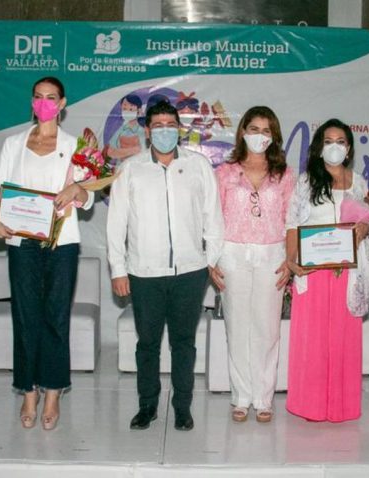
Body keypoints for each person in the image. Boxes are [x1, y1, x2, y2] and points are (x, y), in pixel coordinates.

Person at [0, 76, 93, 431]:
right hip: (21, 241)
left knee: (56, 317)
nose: (44, 102)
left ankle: (54, 392)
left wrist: (77, 190)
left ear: (62, 104)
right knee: (25, 316)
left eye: (51, 97)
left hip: (62, 242)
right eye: (38, 96)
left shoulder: (75, 146)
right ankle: (28, 390)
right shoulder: (13, 144)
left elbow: (89, 196)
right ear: (32, 101)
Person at [107, 99, 224, 431]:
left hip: (190, 272)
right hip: (144, 273)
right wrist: (118, 269)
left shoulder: (198, 166)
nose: (164, 131)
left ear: (180, 130)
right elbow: (116, 223)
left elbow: (213, 217)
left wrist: (209, 261)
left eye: (170, 125)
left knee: (184, 343)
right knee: (147, 344)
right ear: (147, 131)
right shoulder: (130, 169)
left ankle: (183, 407)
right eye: (157, 126)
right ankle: (147, 406)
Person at [284, 118, 369, 423]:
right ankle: (309, 405)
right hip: (313, 272)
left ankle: (341, 406)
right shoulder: (306, 182)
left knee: (343, 339)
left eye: (340, 141)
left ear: (349, 148)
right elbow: (292, 225)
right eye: (328, 141)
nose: (334, 147)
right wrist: (291, 260)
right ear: (318, 147)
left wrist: (365, 228)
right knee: (312, 340)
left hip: (348, 273)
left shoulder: (359, 183)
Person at [210, 106, 295, 423]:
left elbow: (292, 222)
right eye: (254, 129)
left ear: (274, 136)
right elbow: (213, 219)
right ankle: (241, 397)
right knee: (237, 326)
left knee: (267, 328)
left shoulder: (285, 175)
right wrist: (211, 260)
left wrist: (290, 259)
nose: (259, 136)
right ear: (243, 132)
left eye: (266, 130)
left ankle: (263, 398)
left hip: (273, 255)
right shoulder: (224, 173)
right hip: (232, 253)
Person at [107, 94, 144, 161]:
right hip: (122, 166)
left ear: (139, 110)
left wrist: (120, 152)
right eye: (124, 109)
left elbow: (144, 151)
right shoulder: (122, 129)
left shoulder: (144, 129)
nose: (127, 112)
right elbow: (110, 152)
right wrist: (133, 150)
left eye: (131, 109)